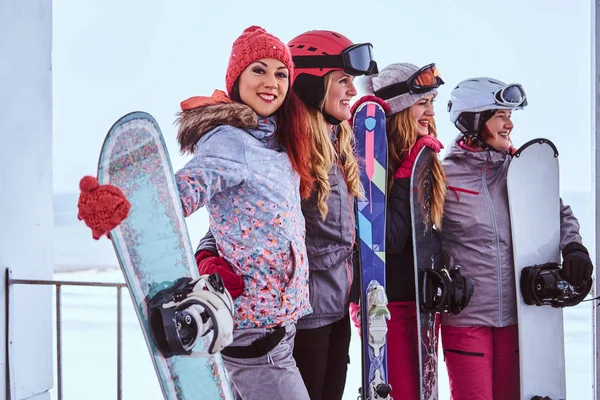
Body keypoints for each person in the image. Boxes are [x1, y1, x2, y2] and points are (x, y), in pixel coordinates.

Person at [78, 25, 316, 400]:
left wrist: (209, 252)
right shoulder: (231, 140)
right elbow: (184, 193)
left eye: (281, 73)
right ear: (236, 78)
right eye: (259, 69)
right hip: (255, 333)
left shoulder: (275, 139)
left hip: (276, 323)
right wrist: (125, 208)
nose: (271, 81)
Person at [196, 29, 378, 400]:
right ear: (312, 83)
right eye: (343, 81)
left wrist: (364, 284)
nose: (353, 92)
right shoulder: (281, 146)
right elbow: (233, 215)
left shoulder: (337, 140)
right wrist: (208, 257)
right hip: (298, 317)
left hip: (337, 308)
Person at [440, 77, 594, 399]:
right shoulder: (444, 176)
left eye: (511, 116)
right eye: (501, 115)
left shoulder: (518, 172)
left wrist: (574, 247)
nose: (509, 124)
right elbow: (421, 237)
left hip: (520, 319)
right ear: (474, 120)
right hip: (467, 320)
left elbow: (558, 214)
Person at [350, 62, 447, 399]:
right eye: (422, 103)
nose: (430, 112)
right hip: (386, 305)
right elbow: (385, 238)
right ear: (402, 108)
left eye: (432, 102)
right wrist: (407, 176)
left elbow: (425, 235)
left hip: (418, 304)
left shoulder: (419, 157)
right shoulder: (371, 157)